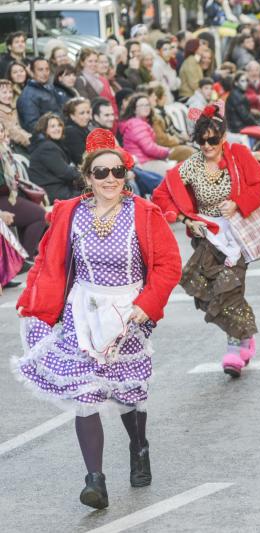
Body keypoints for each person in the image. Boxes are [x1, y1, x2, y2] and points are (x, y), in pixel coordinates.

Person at [14, 128, 182, 509]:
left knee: (128, 393)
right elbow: (47, 261)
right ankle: (95, 481)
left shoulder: (143, 213)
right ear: (87, 177)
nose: (111, 180)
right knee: (85, 393)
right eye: (101, 173)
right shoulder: (68, 213)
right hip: (83, 311)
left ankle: (139, 448)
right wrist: (34, 301)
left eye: (118, 172)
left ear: (126, 174)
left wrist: (146, 304)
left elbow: (168, 265)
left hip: (129, 311)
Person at [152, 102, 260, 376]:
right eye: (201, 141)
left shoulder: (238, 155)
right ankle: (244, 335)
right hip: (206, 238)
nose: (206, 146)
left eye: (212, 140)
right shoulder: (191, 166)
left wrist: (238, 203)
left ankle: (233, 348)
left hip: (238, 235)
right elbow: (161, 194)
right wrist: (184, 219)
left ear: (223, 137)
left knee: (229, 290)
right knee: (201, 289)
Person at [0, 120, 46, 257]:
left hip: (9, 195)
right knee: (38, 215)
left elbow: (13, 181)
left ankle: (22, 256)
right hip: (3, 198)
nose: (0, 135)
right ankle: (23, 257)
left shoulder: (4, 150)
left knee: (34, 211)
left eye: (1, 131)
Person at [28, 112, 81, 202]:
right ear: (44, 130)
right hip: (52, 193)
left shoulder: (50, 144)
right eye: (52, 126)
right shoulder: (47, 148)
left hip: (58, 188)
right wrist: (86, 175)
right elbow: (65, 173)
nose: (57, 129)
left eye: (59, 125)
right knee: (92, 193)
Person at [118, 93, 174, 177]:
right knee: (175, 173)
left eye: (147, 105)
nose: (146, 107)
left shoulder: (138, 122)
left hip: (144, 161)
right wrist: (167, 151)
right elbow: (150, 148)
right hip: (142, 163)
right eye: (141, 105)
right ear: (134, 109)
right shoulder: (137, 124)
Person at [17, 58, 61, 133]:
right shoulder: (28, 96)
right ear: (32, 72)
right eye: (40, 70)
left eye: (47, 69)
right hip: (48, 136)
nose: (45, 73)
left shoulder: (49, 87)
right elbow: (32, 125)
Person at [61, 97, 93, 166]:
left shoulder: (84, 128)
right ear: (72, 116)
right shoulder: (71, 132)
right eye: (82, 113)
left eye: (88, 112)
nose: (86, 116)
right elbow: (82, 159)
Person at [0, 79, 31, 149]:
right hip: (11, 147)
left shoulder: (13, 107)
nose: (8, 95)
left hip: (24, 142)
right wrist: (32, 140)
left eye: (10, 92)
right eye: (4, 92)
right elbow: (13, 132)